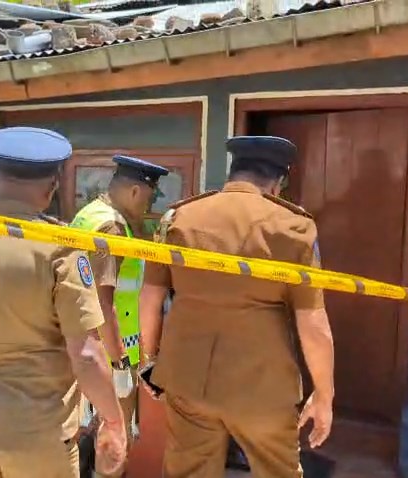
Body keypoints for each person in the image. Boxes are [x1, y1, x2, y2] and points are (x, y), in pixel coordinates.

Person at [0, 126, 127, 478]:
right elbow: (85, 354)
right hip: (35, 432)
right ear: (51, 188)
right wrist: (113, 421)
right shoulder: (60, 250)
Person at [139, 136, 336, 478]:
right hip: (263, 386)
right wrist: (324, 395)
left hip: (188, 379)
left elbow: (150, 299)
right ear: (277, 184)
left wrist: (150, 360)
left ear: (233, 172)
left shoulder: (178, 218)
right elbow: (313, 326)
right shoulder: (294, 227)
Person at [69, 155, 169, 470]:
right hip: (108, 353)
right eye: (149, 198)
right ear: (135, 191)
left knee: (90, 436)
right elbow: (103, 302)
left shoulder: (88, 214)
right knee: (114, 443)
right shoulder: (111, 227)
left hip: (83, 344)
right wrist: (120, 363)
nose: (149, 207)